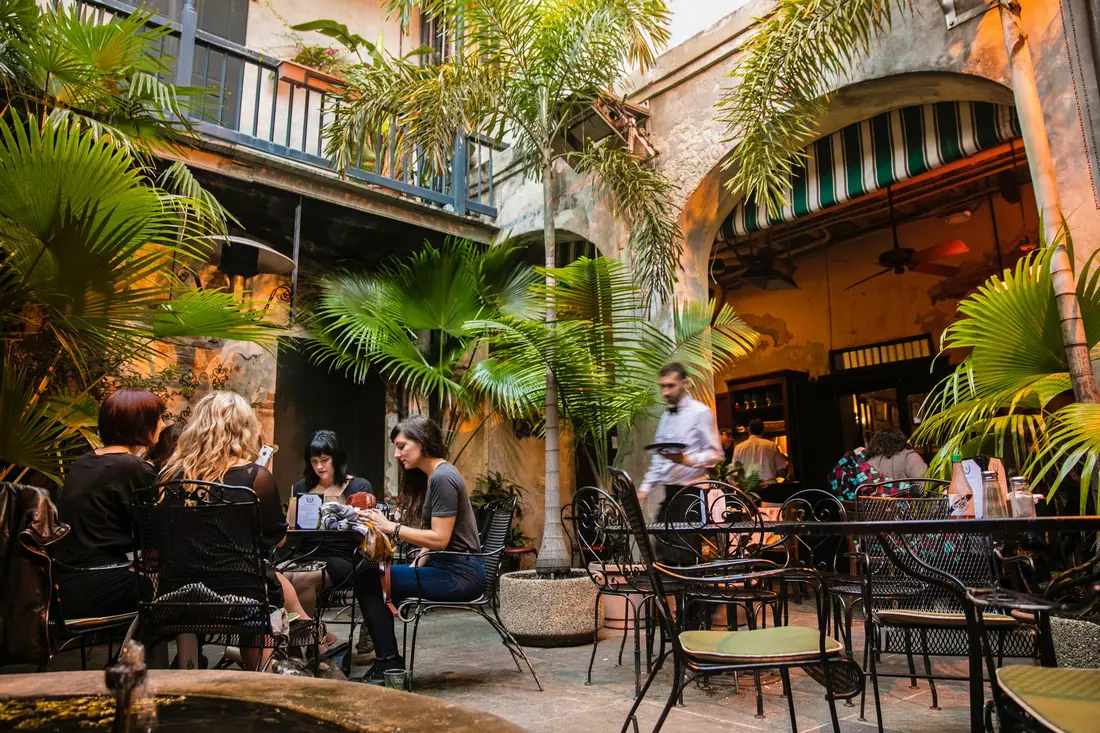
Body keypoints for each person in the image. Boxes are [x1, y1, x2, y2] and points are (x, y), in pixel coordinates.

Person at [159, 391, 319, 669]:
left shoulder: (170, 477)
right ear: (243, 430)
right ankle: (262, 676)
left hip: (177, 593)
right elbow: (278, 539)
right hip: (243, 596)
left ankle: (188, 674)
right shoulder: (255, 478)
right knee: (263, 585)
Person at [354, 415, 484, 684]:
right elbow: (435, 543)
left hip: (461, 575)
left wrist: (390, 527)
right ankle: (388, 660)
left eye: (402, 446)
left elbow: (440, 539)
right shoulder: (432, 476)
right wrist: (415, 566)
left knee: (367, 578)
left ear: (422, 442)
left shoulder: (443, 478)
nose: (396, 453)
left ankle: (388, 664)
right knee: (371, 573)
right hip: (447, 567)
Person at [53, 388, 164, 619]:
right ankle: (168, 656)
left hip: (66, 584)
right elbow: (157, 534)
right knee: (182, 591)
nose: (163, 425)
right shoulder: (133, 468)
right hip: (102, 585)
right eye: (158, 418)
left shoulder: (84, 462)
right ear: (141, 425)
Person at [284, 430, 376, 617]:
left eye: (324, 460)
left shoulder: (358, 487)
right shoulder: (302, 487)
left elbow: (367, 530)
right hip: (306, 553)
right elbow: (290, 528)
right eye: (314, 461)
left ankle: (307, 638)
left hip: (343, 556)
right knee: (279, 574)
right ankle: (311, 635)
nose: (319, 466)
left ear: (337, 458)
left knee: (303, 578)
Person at [638, 363, 723, 563]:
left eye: (671, 386)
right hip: (669, 494)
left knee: (683, 556)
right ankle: (672, 594)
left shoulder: (701, 413)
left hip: (691, 494)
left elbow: (715, 454)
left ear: (684, 384)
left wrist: (686, 459)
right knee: (662, 552)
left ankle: (691, 594)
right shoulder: (666, 416)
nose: (665, 392)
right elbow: (659, 458)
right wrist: (643, 490)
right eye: (662, 386)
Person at [732, 418, 788, 485]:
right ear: (763, 430)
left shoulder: (739, 447)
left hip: (747, 489)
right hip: (769, 486)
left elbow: (734, 472)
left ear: (749, 430)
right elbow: (781, 470)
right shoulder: (772, 445)